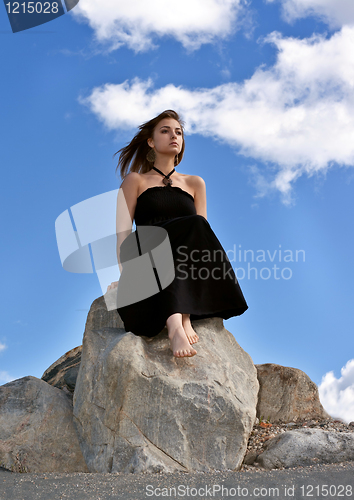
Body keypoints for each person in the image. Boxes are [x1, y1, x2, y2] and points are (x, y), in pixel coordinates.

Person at [107, 110, 248, 358]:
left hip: (181, 256)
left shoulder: (195, 183)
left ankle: (181, 316)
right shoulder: (135, 180)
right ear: (150, 141)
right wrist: (125, 274)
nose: (174, 135)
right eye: (165, 131)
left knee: (196, 227)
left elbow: (201, 242)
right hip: (146, 253)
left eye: (179, 132)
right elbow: (122, 233)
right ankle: (177, 324)